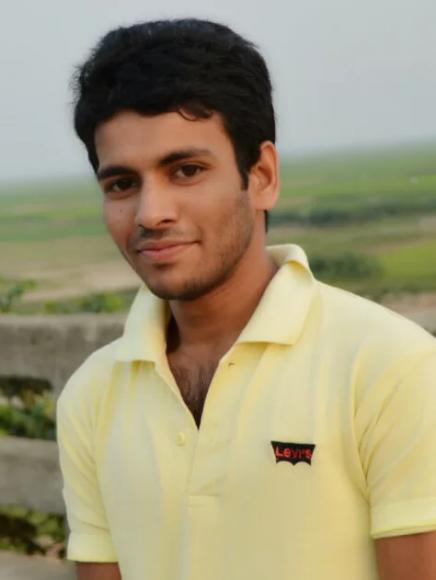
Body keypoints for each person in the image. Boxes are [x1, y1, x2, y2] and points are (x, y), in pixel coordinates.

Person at [56, 18, 436, 580]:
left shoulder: (389, 367)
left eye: (186, 170)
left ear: (261, 176)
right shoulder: (93, 394)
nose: (151, 213)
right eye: (122, 184)